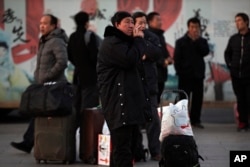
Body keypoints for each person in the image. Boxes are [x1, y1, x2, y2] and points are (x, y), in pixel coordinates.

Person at [97, 11, 150, 167]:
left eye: (132, 22)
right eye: (127, 22)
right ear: (116, 24)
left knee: (127, 148)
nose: (131, 25)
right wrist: (139, 40)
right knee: (122, 150)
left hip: (129, 105)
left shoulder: (126, 42)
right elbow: (130, 59)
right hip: (118, 105)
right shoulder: (111, 43)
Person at [10, 14, 69, 153]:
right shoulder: (45, 40)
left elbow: (62, 62)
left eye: (45, 23)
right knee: (38, 112)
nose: (42, 26)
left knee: (42, 113)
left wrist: (47, 76)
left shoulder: (56, 41)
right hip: (45, 85)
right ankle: (29, 142)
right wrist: (38, 76)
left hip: (54, 86)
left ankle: (34, 143)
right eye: (41, 23)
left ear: (53, 26)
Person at [132, 11, 162, 161]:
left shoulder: (151, 37)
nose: (143, 25)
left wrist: (143, 44)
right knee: (135, 121)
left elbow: (157, 52)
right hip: (134, 86)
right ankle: (137, 152)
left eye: (145, 22)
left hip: (150, 86)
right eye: (140, 23)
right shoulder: (128, 37)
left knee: (153, 120)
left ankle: (155, 151)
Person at [174, 17, 209, 129]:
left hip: (198, 75)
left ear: (199, 28)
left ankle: (196, 120)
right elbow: (177, 59)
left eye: (196, 27)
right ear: (188, 27)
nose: (194, 29)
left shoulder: (202, 41)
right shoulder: (180, 42)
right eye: (192, 27)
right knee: (183, 99)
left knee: (198, 99)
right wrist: (179, 71)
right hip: (185, 75)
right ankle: (181, 121)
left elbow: (205, 52)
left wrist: (197, 41)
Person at [68, 11, 99, 113]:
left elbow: (69, 55)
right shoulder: (89, 36)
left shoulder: (72, 36)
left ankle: (78, 127)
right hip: (90, 77)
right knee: (89, 107)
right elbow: (94, 56)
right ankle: (86, 128)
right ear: (87, 22)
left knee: (77, 104)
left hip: (77, 76)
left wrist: (79, 64)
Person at [224, 13, 250, 131]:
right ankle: (243, 123)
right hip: (236, 75)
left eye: (239, 20)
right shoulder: (234, 38)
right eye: (236, 21)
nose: (237, 23)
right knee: (240, 99)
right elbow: (227, 53)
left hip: (248, 75)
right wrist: (230, 65)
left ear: (246, 22)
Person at [147, 12, 172, 104]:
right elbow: (151, 53)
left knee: (157, 100)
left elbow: (164, 51)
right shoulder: (148, 36)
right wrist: (162, 62)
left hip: (161, 73)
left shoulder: (160, 35)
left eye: (160, 20)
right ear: (149, 22)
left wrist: (168, 58)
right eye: (157, 20)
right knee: (151, 100)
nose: (160, 22)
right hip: (153, 73)